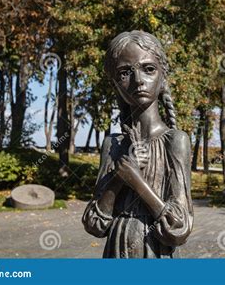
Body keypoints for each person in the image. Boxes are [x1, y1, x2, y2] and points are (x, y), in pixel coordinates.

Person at [82, 30, 193, 258]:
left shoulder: (175, 141)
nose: (138, 80)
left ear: (163, 78)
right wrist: (117, 181)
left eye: (149, 69)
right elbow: (94, 224)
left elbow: (179, 227)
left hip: (155, 250)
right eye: (125, 73)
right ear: (115, 85)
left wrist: (136, 181)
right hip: (115, 249)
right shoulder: (113, 144)